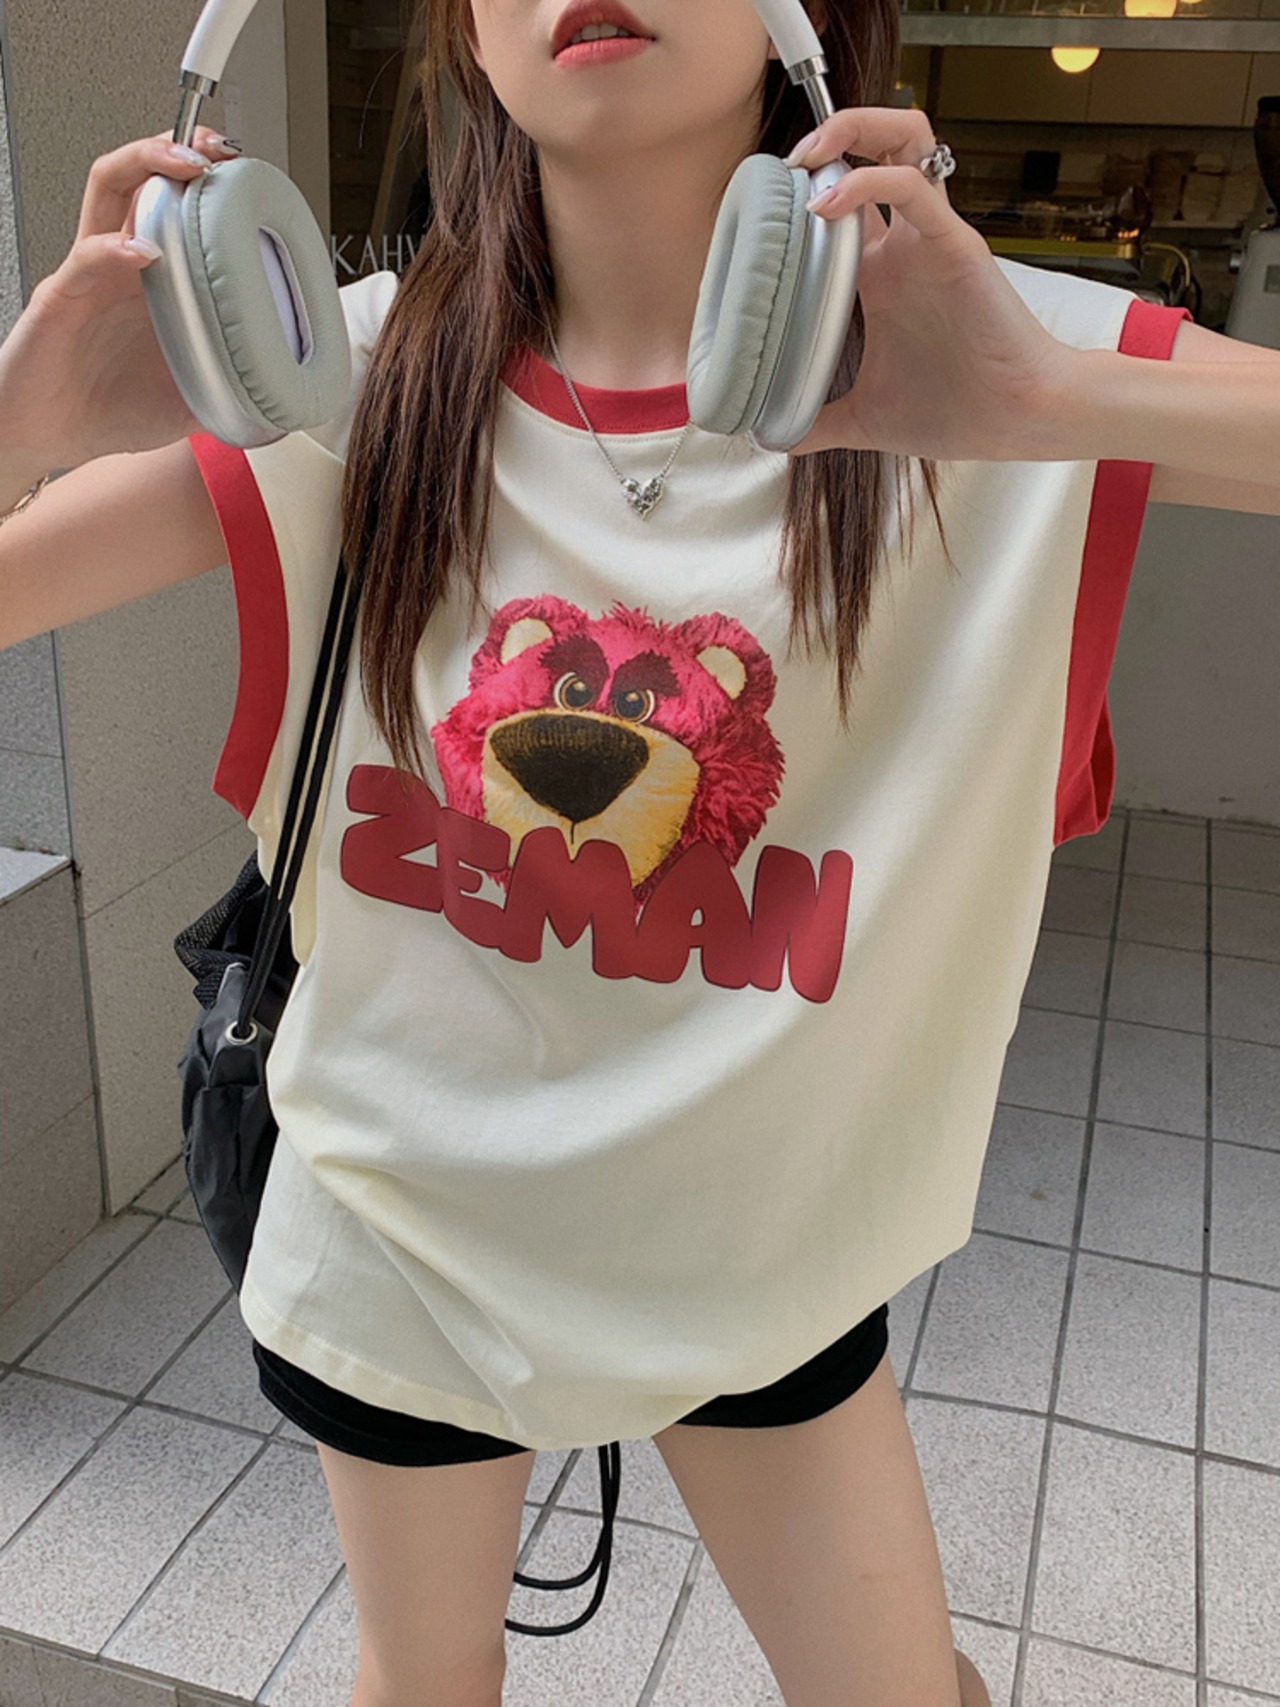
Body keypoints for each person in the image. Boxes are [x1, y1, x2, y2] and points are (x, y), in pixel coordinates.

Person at [2, 1, 1278, 1703]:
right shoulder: (326, 379)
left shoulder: (986, 361)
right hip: (405, 1233)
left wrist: (1051, 396)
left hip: (763, 1252)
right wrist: (21, 425)